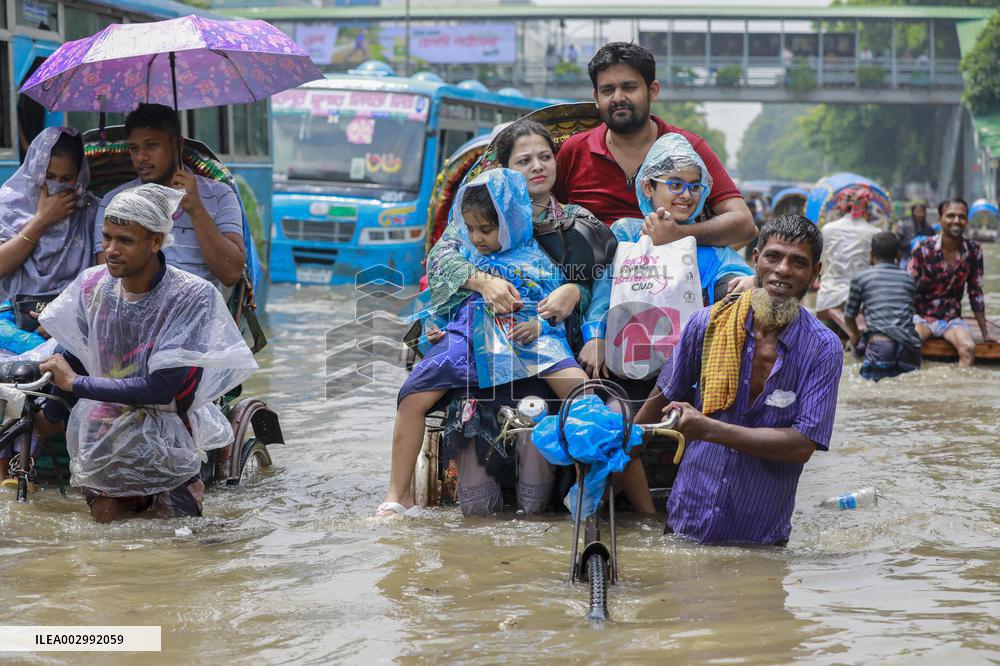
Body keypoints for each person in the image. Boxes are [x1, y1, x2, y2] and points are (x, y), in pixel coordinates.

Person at [35, 183, 257, 522]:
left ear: (156, 241)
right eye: (107, 238)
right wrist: (49, 415)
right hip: (104, 439)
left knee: (173, 546)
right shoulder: (93, 286)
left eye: (125, 241)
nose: (110, 250)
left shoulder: (191, 296)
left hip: (167, 437)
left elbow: (161, 388)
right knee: (106, 544)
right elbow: (77, 351)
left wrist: (75, 384)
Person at [379, 170, 591, 517]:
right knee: (411, 395)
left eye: (486, 230)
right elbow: (439, 297)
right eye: (471, 228)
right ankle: (398, 495)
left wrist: (547, 315)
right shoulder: (461, 256)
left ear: (511, 222)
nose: (476, 237)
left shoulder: (539, 257)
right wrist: (440, 323)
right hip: (468, 343)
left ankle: (589, 486)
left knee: (585, 394)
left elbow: (565, 300)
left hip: (528, 340)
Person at [633, 215, 843, 545]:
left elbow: (802, 446)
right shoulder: (707, 324)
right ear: (756, 258)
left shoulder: (823, 347)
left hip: (760, 538)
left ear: (815, 274)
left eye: (798, 262)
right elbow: (658, 400)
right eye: (774, 256)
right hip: (688, 522)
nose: (783, 270)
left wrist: (709, 429)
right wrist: (611, 464)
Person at [553, 42, 755, 249]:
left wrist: (679, 234)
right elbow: (543, 214)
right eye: (607, 90)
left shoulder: (689, 148)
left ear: (653, 91)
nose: (618, 98)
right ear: (596, 98)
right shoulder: (574, 150)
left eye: (629, 87)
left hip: (675, 275)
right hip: (588, 277)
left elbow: (745, 224)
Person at [95, 103, 245, 291]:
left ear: (177, 145)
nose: (142, 157)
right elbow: (108, 280)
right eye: (134, 148)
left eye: (151, 146)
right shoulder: (114, 202)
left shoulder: (220, 194)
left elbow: (231, 273)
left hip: (199, 313)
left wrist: (196, 208)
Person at [0, 128, 96, 356]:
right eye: (49, 177)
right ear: (35, 170)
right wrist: (42, 220)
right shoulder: (11, 206)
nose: (56, 185)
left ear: (79, 176)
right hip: (10, 320)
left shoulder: (92, 213)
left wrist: (62, 319)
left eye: (66, 179)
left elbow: (99, 282)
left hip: (71, 323)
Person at [908, 198, 994, 367]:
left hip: (951, 318)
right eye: (951, 216)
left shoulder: (973, 250)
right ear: (940, 220)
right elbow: (908, 286)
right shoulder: (923, 248)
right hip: (922, 316)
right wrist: (901, 324)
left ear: (966, 221)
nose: (956, 220)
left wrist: (985, 333)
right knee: (910, 346)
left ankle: (961, 391)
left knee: (968, 348)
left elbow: (976, 292)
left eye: (961, 217)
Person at [843, 232, 921, 381]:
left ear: (871, 253)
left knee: (871, 395)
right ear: (898, 255)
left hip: (880, 346)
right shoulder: (909, 280)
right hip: (910, 347)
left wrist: (855, 336)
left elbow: (849, 316)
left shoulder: (861, 278)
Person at [814, 186, 881, 334]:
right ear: (866, 207)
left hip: (827, 299)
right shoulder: (875, 233)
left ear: (842, 206)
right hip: (860, 303)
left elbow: (821, 265)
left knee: (823, 338)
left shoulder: (828, 229)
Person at [893, 202, 934, 267]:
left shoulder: (929, 228)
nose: (920, 215)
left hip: (924, 260)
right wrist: (912, 243)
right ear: (913, 212)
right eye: (917, 212)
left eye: (922, 212)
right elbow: (898, 242)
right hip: (907, 257)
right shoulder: (904, 225)